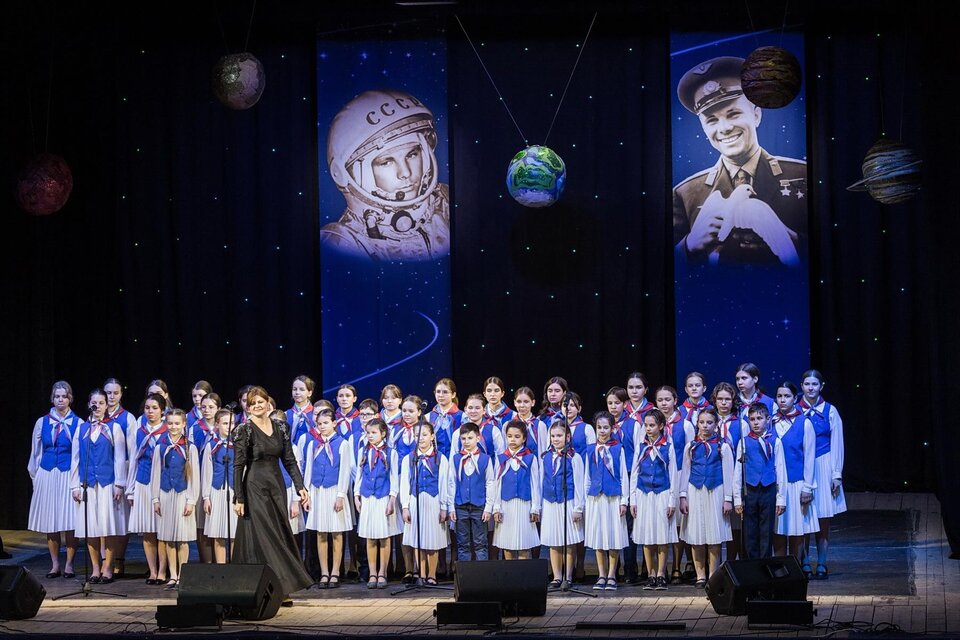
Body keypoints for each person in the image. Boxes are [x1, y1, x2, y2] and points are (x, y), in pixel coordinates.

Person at [672, 56, 808, 267]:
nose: (724, 128)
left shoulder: (804, 175)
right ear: (704, 129)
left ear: (756, 115)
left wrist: (794, 241)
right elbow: (666, 267)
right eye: (712, 120)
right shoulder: (685, 193)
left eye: (733, 114)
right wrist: (689, 245)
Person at [321, 89, 450, 262]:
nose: (405, 173)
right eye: (386, 162)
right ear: (346, 174)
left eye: (412, 154)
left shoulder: (447, 203)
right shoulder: (342, 243)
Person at [232, 386, 313, 600]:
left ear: (268, 403)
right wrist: (239, 498)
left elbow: (289, 460)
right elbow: (238, 466)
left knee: (279, 532)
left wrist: (300, 486)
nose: (257, 406)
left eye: (261, 401)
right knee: (265, 535)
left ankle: (280, 586)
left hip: (276, 486)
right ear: (248, 407)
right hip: (254, 487)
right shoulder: (244, 430)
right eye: (253, 403)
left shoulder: (281, 427)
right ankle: (273, 588)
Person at [70, 388, 127, 584]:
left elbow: (119, 457)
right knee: (91, 528)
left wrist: (119, 484)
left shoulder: (114, 427)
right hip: (87, 484)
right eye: (94, 403)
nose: (98, 406)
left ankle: (107, 566)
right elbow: (75, 459)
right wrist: (74, 486)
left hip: (106, 483)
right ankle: (95, 568)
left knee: (106, 526)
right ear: (89, 405)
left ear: (106, 405)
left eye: (101, 403)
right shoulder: (82, 428)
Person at [28, 381, 81, 579]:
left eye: (64, 396)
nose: (60, 400)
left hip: (68, 474)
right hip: (48, 474)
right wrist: (36, 478)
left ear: (70, 399)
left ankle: (69, 564)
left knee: (70, 522)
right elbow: (36, 453)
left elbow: (78, 455)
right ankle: (55, 564)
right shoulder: (42, 422)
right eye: (57, 396)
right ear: (52, 398)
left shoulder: (78, 423)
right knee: (51, 521)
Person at [797, 369, 846, 579]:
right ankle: (804, 561)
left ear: (821, 386)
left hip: (823, 464)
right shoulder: (795, 410)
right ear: (802, 386)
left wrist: (836, 474)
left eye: (814, 384)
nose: (810, 388)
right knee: (803, 517)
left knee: (823, 517)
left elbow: (837, 443)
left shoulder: (830, 411)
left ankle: (822, 562)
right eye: (807, 384)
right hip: (802, 467)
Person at [678, 408, 733, 587]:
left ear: (716, 425)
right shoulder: (691, 446)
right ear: (697, 424)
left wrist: (728, 498)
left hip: (715, 490)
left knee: (714, 536)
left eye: (709, 422)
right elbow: (685, 472)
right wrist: (683, 496)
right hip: (695, 491)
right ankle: (700, 575)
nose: (705, 426)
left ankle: (713, 575)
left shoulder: (723, 446)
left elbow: (728, 473)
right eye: (702, 422)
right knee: (696, 535)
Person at [304, 408, 354, 588]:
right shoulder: (313, 444)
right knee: (321, 532)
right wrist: (306, 494)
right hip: (318, 491)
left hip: (334, 491)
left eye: (326, 423)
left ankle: (335, 572)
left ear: (334, 423)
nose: (322, 426)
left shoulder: (342, 443)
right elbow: (308, 469)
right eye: (319, 424)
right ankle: (324, 572)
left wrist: (341, 495)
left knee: (337, 532)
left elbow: (345, 471)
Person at [771, 382, 819, 563]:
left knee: (796, 528)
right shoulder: (770, 422)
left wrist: (807, 486)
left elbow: (809, 457)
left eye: (787, 396)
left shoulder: (804, 423)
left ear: (795, 398)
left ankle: (795, 567)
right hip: (775, 484)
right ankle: (779, 568)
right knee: (778, 528)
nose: (782, 400)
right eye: (779, 396)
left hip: (796, 482)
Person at [150, 408, 199, 588]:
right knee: (169, 537)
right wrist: (155, 499)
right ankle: (173, 575)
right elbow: (155, 474)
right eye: (170, 423)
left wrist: (191, 500)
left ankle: (182, 575)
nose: (173, 426)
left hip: (182, 494)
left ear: (184, 424)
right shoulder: (160, 446)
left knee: (182, 538)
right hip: (165, 494)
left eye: (177, 423)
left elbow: (194, 477)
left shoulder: (190, 447)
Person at [630, 410, 678, 591]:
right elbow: (634, 474)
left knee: (662, 535)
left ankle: (661, 573)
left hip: (662, 493)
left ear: (661, 426)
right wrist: (633, 499)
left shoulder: (668, 447)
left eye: (652, 425)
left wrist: (672, 500)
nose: (648, 428)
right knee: (647, 535)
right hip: (643, 494)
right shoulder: (641, 447)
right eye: (646, 425)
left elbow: (673, 474)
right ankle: (650, 574)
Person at [399, 421, 450, 585]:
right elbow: (405, 483)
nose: (420, 438)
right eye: (417, 435)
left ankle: (432, 575)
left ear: (432, 436)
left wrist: (444, 507)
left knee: (432, 540)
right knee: (418, 540)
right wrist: (405, 506)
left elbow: (444, 483)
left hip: (433, 501)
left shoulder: (440, 458)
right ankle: (421, 574)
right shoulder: (409, 459)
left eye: (424, 435)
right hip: (415, 501)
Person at [733, 403, 786, 559]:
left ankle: (765, 562)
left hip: (768, 489)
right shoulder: (744, 442)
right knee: (750, 529)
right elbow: (738, 471)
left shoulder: (775, 441)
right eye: (752, 419)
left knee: (766, 529)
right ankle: (752, 564)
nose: (755, 422)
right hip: (750, 489)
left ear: (768, 419)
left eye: (759, 418)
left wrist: (781, 498)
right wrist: (737, 498)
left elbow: (780, 470)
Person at [584, 412, 629, 591]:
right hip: (596, 498)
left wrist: (624, 501)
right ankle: (601, 574)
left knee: (613, 536)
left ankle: (611, 575)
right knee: (599, 537)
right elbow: (587, 477)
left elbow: (623, 476)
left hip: (613, 498)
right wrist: (586, 500)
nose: (602, 431)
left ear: (612, 428)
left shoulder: (618, 449)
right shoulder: (590, 449)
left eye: (605, 427)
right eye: (599, 427)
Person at [127, 393, 169, 585]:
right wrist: (131, 489)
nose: (150, 412)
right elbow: (133, 461)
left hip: (161, 486)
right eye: (147, 408)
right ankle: (152, 571)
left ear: (162, 410)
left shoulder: (168, 430)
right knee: (148, 530)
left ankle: (162, 571)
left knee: (162, 531)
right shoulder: (139, 431)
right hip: (143, 483)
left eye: (154, 408)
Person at [354, 417, 400, 589]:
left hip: (383, 497)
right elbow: (359, 474)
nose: (370, 436)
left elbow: (394, 477)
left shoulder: (390, 453)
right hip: (368, 497)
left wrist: (392, 498)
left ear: (383, 433)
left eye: (374, 433)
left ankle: (382, 572)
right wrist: (356, 495)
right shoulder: (363, 451)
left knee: (384, 536)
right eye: (368, 433)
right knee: (370, 536)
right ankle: (372, 572)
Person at [655, 385, 694, 584]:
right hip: (658, 477)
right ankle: (657, 569)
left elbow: (690, 456)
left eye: (667, 399)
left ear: (675, 401)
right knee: (660, 522)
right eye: (660, 400)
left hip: (679, 475)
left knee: (678, 523)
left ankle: (677, 566)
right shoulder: (651, 424)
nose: (664, 403)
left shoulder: (685, 425)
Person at [540, 422, 585, 587]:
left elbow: (579, 484)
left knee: (569, 541)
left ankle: (568, 576)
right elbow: (541, 481)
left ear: (567, 437)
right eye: (553, 436)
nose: (555, 439)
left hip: (568, 502)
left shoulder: (574, 457)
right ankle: (557, 576)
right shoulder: (545, 457)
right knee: (554, 541)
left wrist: (578, 508)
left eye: (559, 436)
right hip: (550, 502)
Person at [492, 420, 541, 560]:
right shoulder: (501, 458)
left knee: (524, 543)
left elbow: (535, 484)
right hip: (506, 505)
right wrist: (497, 507)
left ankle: (523, 573)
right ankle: (510, 572)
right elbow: (497, 484)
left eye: (517, 436)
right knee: (507, 544)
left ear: (524, 438)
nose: (512, 439)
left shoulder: (530, 458)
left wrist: (535, 507)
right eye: (509, 436)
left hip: (524, 505)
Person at [606, 386, 640, 583]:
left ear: (625, 404)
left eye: (617, 403)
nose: (613, 407)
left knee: (628, 524)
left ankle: (630, 568)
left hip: (627, 475)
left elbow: (637, 453)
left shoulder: (633, 425)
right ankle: (613, 569)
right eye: (610, 403)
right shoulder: (604, 424)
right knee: (611, 524)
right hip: (610, 478)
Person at [448, 422, 495, 563]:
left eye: (470, 438)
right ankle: (465, 574)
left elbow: (490, 483)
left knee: (480, 543)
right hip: (461, 506)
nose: (466, 441)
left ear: (478, 438)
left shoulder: (485, 459)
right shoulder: (456, 459)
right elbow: (451, 482)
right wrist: (451, 507)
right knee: (463, 544)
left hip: (479, 506)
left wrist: (488, 508)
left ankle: (482, 574)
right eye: (463, 438)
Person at [104, 378, 136, 577]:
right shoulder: (97, 416)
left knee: (120, 520)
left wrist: (126, 482)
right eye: (108, 393)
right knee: (103, 519)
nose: (111, 396)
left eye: (115, 393)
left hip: (121, 472)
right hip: (102, 473)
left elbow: (132, 452)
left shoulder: (128, 418)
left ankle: (119, 560)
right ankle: (104, 561)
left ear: (121, 394)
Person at [201, 409, 237, 564]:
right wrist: (206, 497)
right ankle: (222, 569)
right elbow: (206, 472)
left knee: (235, 534)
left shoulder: (239, 444)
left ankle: (234, 568)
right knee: (218, 533)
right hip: (216, 491)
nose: (229, 426)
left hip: (235, 492)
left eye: (232, 423)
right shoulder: (212, 445)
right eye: (225, 423)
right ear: (217, 425)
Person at [191, 392, 220, 564]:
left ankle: (220, 562)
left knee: (217, 519)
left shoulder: (224, 427)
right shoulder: (195, 428)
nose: (207, 410)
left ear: (218, 408)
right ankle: (206, 562)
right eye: (203, 407)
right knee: (202, 521)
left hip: (218, 478)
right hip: (200, 477)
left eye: (211, 407)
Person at [428, 378, 462, 460]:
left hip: (456, 459)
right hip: (433, 461)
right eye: (438, 392)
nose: (441, 395)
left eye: (445, 392)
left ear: (453, 394)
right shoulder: (428, 417)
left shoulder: (462, 417)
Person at [512, 387, 546, 456]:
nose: (522, 405)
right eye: (519, 402)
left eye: (526, 402)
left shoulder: (539, 425)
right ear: (514, 403)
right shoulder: (508, 425)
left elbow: (543, 451)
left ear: (533, 403)